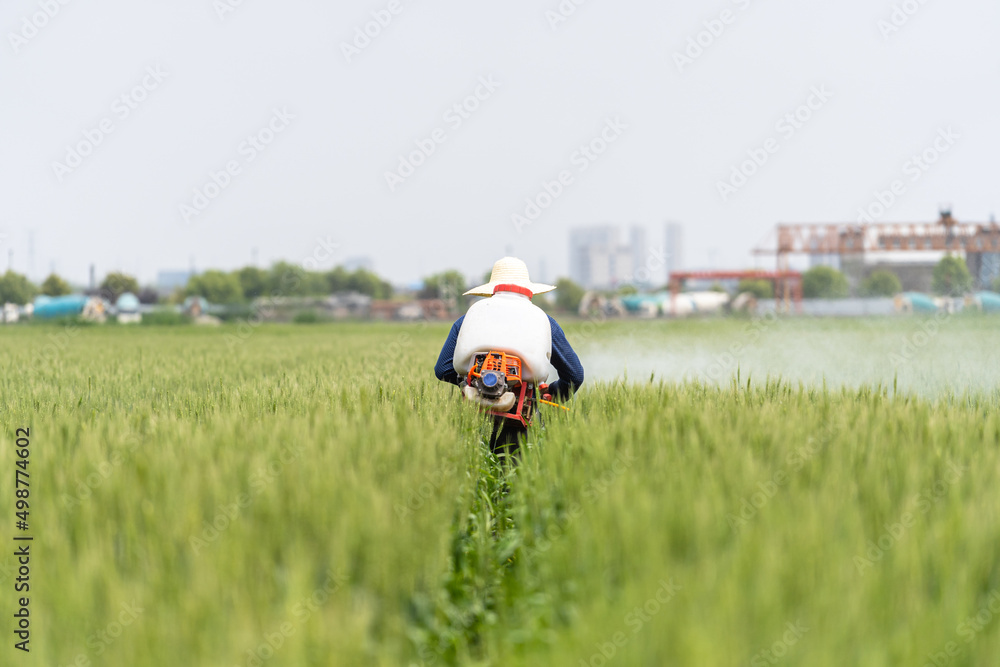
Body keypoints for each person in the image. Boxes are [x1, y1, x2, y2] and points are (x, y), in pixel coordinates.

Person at [434, 257, 584, 454]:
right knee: (515, 477)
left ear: (493, 289)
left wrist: (473, 381)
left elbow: (442, 369)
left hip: (474, 414)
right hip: (521, 416)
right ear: (528, 291)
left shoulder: (470, 316)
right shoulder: (544, 321)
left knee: (473, 470)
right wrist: (546, 396)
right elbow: (575, 376)